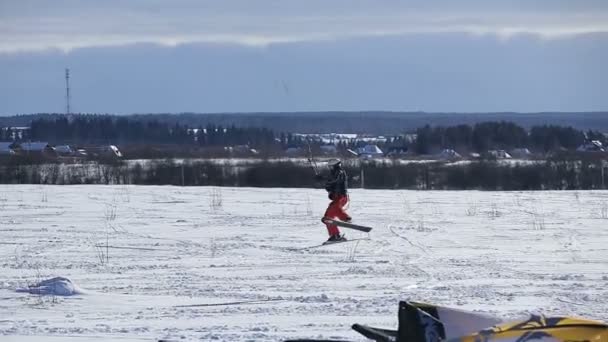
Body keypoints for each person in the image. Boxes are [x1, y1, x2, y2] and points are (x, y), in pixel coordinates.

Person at [317, 159, 352, 242]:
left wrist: (323, 179)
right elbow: (330, 184)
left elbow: (334, 180)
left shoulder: (340, 172)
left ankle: (346, 218)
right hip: (336, 197)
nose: (330, 168)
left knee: (334, 209)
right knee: (327, 218)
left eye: (331, 166)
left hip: (341, 197)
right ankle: (335, 235)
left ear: (335, 166)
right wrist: (326, 185)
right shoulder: (333, 174)